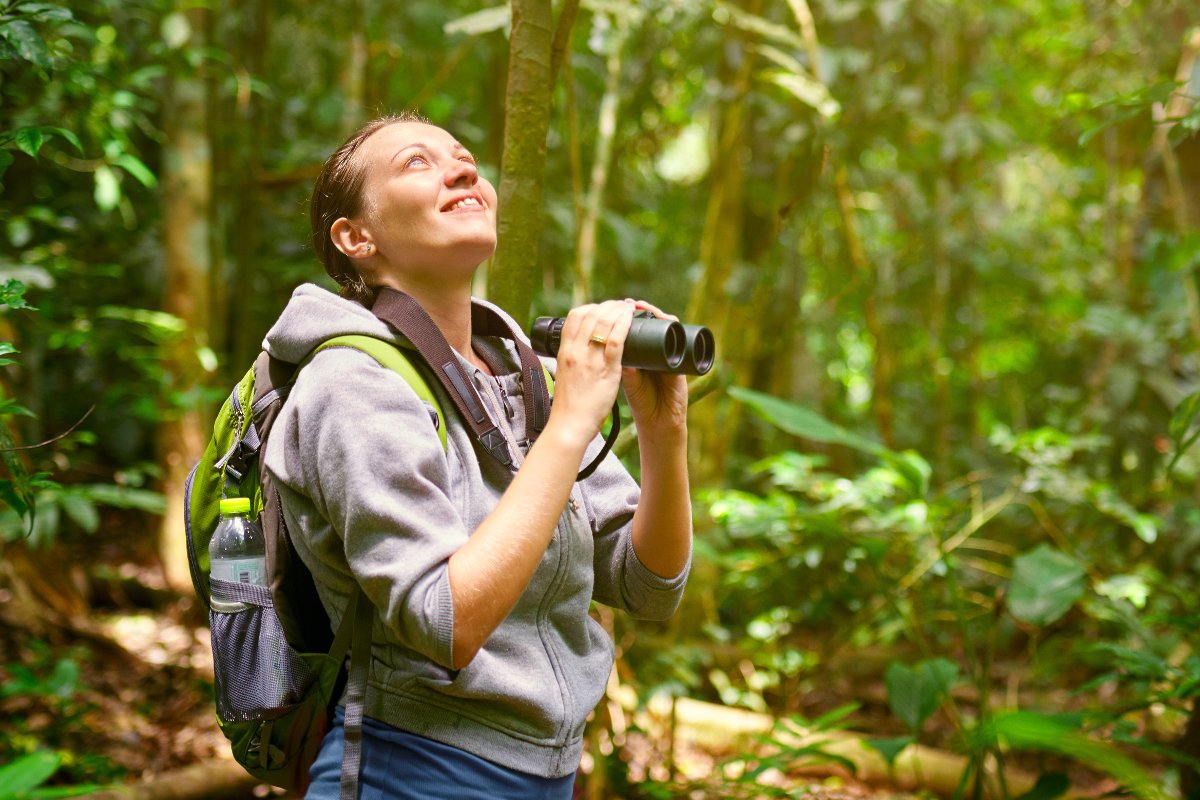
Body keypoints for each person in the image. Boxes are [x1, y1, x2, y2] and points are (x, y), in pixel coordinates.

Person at [261, 111, 693, 800]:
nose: (463, 169)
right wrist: (573, 422)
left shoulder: (522, 376)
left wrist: (665, 432)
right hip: (409, 770)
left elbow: (649, 586)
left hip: (548, 774)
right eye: (417, 163)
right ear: (356, 238)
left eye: (463, 157)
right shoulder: (350, 382)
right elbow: (444, 622)